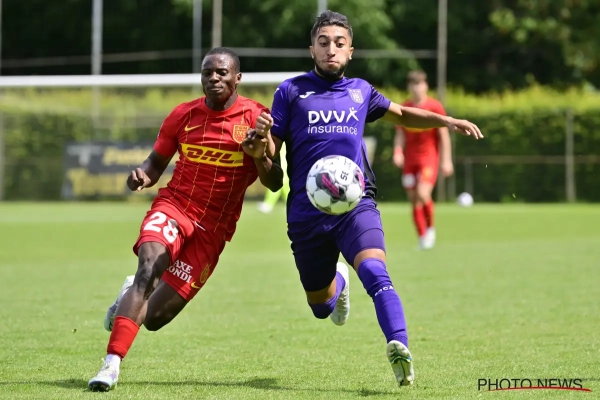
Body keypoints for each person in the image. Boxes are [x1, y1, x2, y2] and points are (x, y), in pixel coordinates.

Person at [258, 11, 483, 388]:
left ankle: (400, 346)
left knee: (376, 272)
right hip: (306, 214)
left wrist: (445, 121)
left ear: (351, 51)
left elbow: (403, 115)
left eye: (339, 43)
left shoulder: (361, 91)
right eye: (323, 43)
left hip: (356, 205)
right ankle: (338, 282)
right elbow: (271, 160)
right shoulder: (291, 92)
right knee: (320, 307)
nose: (331, 49)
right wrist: (259, 145)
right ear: (311, 49)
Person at [87, 47, 283, 392]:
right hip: (175, 206)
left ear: (237, 78)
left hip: (214, 229)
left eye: (222, 72)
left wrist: (258, 156)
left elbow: (275, 181)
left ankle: (128, 295)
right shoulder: (183, 115)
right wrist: (142, 177)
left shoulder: (257, 118)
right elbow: (155, 164)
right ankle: (111, 365)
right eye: (207, 72)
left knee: (155, 317)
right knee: (148, 267)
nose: (214, 78)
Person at [393, 70, 452, 250]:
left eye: (419, 84)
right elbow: (400, 134)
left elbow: (444, 136)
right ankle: (422, 236)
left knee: (422, 194)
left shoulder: (435, 107)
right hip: (410, 161)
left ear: (425, 86)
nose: (416, 88)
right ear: (409, 87)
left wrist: (446, 160)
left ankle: (430, 230)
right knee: (413, 198)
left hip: (428, 159)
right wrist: (397, 151)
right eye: (413, 85)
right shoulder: (405, 107)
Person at [257, 143, 290, 213]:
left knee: (278, 182)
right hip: (283, 159)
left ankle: (269, 204)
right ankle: (289, 204)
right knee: (284, 185)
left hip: (283, 160)